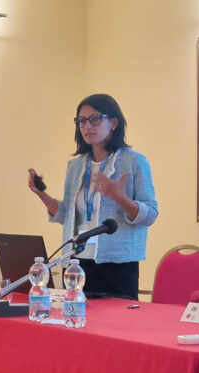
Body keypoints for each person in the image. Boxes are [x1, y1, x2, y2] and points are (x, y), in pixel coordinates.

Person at [27, 94, 158, 300]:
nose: (87, 126)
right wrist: (41, 194)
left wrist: (119, 197)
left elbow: (150, 214)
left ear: (114, 122)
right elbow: (66, 215)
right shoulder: (76, 165)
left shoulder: (134, 161)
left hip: (117, 265)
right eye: (82, 121)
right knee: (74, 324)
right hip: (76, 263)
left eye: (95, 119)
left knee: (114, 328)